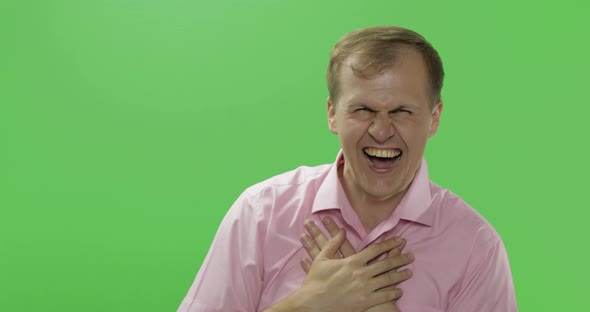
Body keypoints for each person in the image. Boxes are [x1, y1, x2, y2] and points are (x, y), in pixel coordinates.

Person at [178, 26, 517, 312]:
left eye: (401, 111)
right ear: (331, 114)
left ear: (435, 118)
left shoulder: (477, 248)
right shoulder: (261, 214)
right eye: (363, 109)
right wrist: (307, 305)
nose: (381, 130)